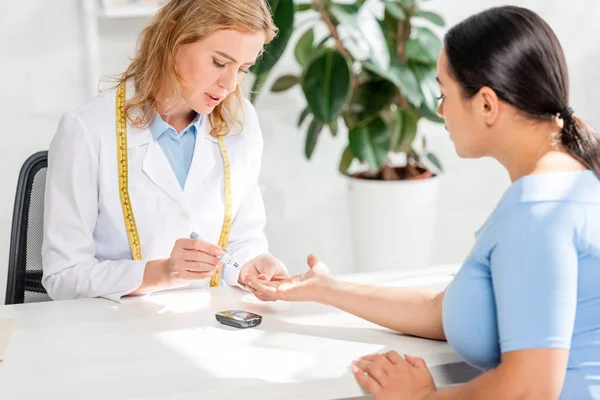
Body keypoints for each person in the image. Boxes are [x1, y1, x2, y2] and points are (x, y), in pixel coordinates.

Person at [247, 6, 600, 400]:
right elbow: (443, 311)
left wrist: (420, 398)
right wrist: (326, 289)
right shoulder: (576, 183)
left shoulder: (536, 210)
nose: (438, 110)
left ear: (486, 104)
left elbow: (530, 390)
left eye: (443, 94)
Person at [42, 0, 288, 302]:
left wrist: (251, 266)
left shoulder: (241, 122)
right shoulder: (86, 130)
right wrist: (164, 273)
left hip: (208, 326)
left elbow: (243, 240)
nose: (228, 84)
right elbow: (63, 277)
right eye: (219, 62)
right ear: (175, 37)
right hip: (114, 332)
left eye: (242, 69)